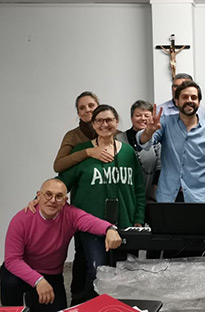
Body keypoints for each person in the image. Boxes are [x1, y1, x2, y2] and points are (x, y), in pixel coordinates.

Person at [58, 105, 146, 302]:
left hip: (125, 221)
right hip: (91, 224)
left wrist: (138, 218)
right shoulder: (82, 152)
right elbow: (62, 183)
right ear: (93, 124)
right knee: (97, 270)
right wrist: (42, 197)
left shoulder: (128, 153)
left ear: (117, 123)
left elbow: (139, 189)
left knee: (124, 272)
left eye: (109, 120)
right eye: (99, 121)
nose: (105, 124)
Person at [1, 178, 121, 311]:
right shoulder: (21, 220)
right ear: (39, 196)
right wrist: (38, 281)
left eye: (59, 197)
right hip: (22, 272)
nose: (52, 200)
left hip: (52, 275)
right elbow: (12, 260)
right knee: (9, 283)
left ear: (65, 201)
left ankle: (34, 299)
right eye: (48, 194)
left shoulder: (70, 214)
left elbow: (90, 221)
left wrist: (110, 229)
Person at [138, 81, 205, 203]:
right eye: (184, 97)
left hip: (199, 197)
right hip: (168, 197)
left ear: (199, 102)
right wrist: (148, 131)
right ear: (176, 101)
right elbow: (144, 142)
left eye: (194, 97)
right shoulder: (165, 123)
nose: (189, 100)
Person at [53, 91, 114, 173]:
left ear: (99, 108)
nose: (87, 110)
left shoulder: (115, 133)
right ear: (78, 113)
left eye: (91, 106)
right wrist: (88, 152)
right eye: (82, 108)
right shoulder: (72, 136)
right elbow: (58, 166)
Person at [117, 100, 161, 202]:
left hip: (150, 196)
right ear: (131, 118)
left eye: (146, 115)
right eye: (138, 115)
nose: (142, 118)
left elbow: (160, 167)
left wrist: (154, 191)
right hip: (125, 196)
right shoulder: (119, 139)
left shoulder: (156, 141)